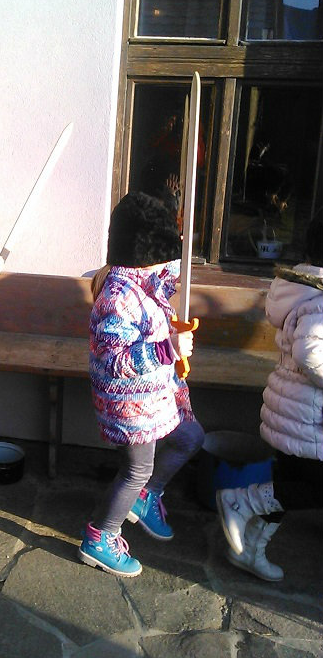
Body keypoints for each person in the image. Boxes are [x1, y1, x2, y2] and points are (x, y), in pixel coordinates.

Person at [79, 191, 204, 577]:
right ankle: (100, 536)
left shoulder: (147, 281)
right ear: (145, 254)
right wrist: (168, 348)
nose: (170, 266)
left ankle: (147, 496)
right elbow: (114, 361)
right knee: (136, 470)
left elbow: (168, 276)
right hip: (131, 402)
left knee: (190, 436)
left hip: (157, 394)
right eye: (165, 256)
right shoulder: (117, 297)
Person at [217, 213, 323, 582]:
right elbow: (311, 353)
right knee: (310, 488)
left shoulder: (304, 287)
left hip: (293, 410)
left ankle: (249, 550)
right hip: (307, 416)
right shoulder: (320, 298)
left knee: (288, 486)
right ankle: (240, 502)